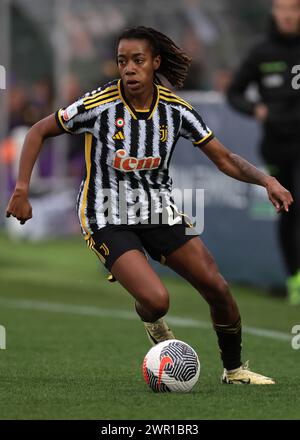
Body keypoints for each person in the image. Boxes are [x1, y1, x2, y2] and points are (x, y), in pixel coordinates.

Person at [6, 26, 293, 385]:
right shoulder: (99, 106)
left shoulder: (176, 111)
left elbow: (224, 159)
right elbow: (38, 131)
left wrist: (267, 180)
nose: (129, 68)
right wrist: (21, 189)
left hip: (158, 209)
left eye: (138, 60)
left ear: (155, 63)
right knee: (158, 300)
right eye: (122, 61)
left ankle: (234, 370)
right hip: (105, 214)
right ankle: (153, 322)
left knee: (217, 287)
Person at [227, 0, 300, 305]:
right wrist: (255, 108)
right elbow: (234, 92)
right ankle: (295, 280)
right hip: (278, 143)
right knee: (289, 210)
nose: (287, 15)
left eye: (294, 8)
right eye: (282, 8)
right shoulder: (262, 51)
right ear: (274, 12)